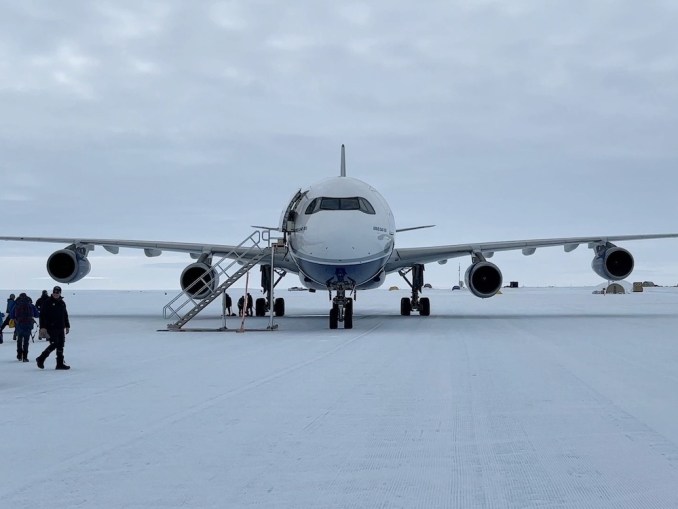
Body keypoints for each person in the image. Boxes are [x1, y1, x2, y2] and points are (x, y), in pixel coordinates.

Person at [35, 286, 71, 370]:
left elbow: (65, 315)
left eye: (57, 293)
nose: (56, 294)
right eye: (54, 292)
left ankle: (60, 363)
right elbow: (42, 316)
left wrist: (67, 325)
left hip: (60, 327)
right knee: (54, 344)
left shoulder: (62, 303)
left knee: (61, 345)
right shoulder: (47, 302)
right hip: (51, 327)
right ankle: (41, 358)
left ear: (60, 293)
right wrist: (43, 327)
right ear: (52, 292)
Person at [12, 292, 39, 362]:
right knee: (26, 341)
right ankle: (25, 357)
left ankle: (19, 356)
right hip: (28, 325)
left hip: (19, 325)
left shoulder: (16, 305)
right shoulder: (31, 305)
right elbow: (37, 315)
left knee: (19, 341)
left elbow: (11, 315)